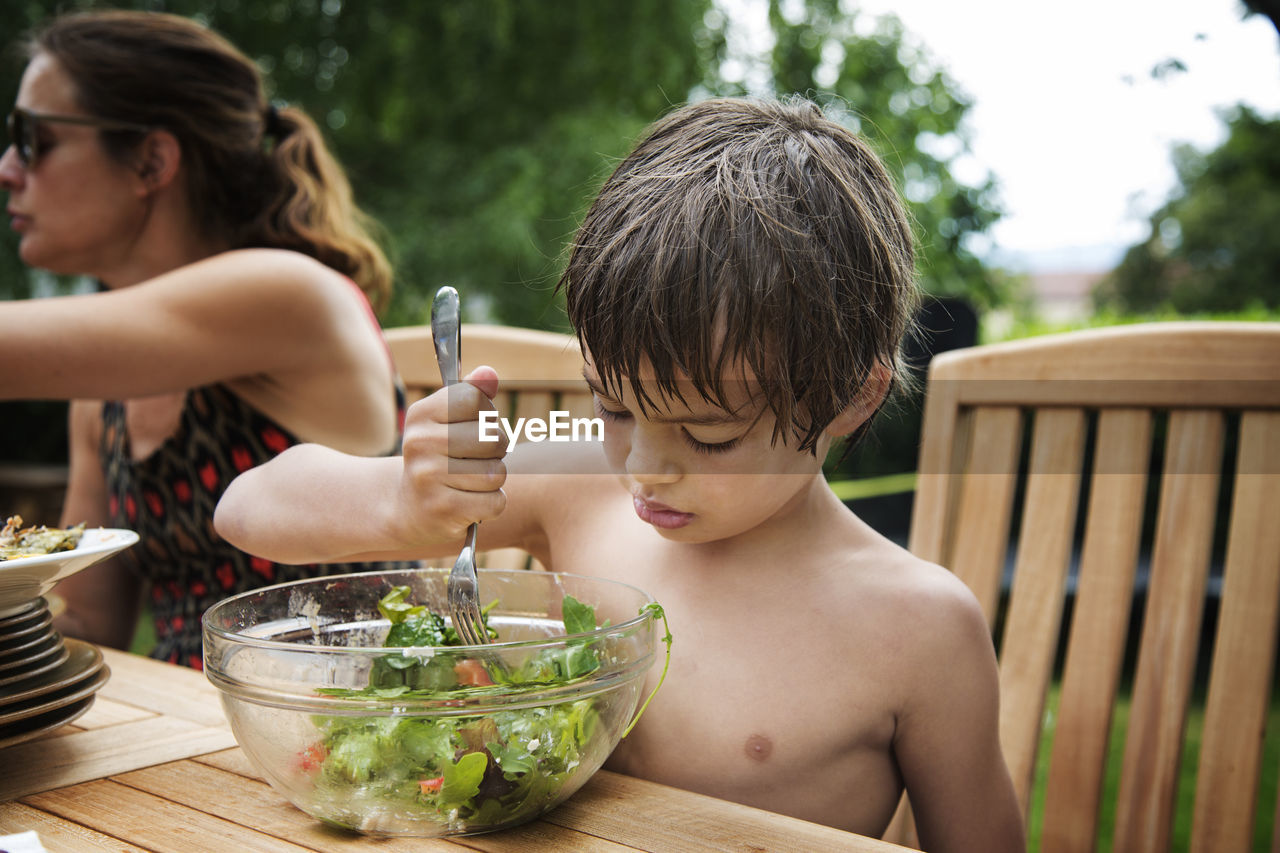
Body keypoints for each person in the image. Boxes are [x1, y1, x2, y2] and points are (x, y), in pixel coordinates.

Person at [213, 96, 1024, 848]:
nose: (645, 468)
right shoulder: (576, 485)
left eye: (707, 437)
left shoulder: (917, 629)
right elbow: (249, 509)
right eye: (615, 409)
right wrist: (401, 500)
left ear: (851, 398)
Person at [0, 10, 417, 669]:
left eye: (33, 139)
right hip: (182, 732)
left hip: (348, 726)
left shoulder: (285, 295)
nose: (7, 169)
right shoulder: (104, 392)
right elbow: (92, 622)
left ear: (151, 160)